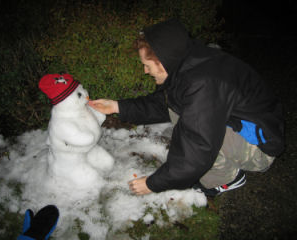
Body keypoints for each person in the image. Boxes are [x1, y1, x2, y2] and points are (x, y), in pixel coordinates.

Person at [88, 19, 284, 197]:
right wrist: (117, 106)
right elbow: (162, 103)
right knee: (184, 116)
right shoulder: (188, 64)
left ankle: (227, 179)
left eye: (147, 65)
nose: (145, 71)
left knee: (194, 136)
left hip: (260, 149)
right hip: (243, 124)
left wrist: (153, 184)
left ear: (163, 61)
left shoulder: (204, 84)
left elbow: (197, 149)